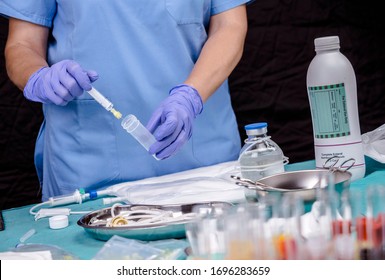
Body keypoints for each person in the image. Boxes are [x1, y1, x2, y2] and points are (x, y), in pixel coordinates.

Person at [0, 1, 251, 201]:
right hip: (90, 168)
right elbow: (22, 44)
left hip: (202, 162)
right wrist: (39, 77)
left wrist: (191, 95)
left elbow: (229, 26)